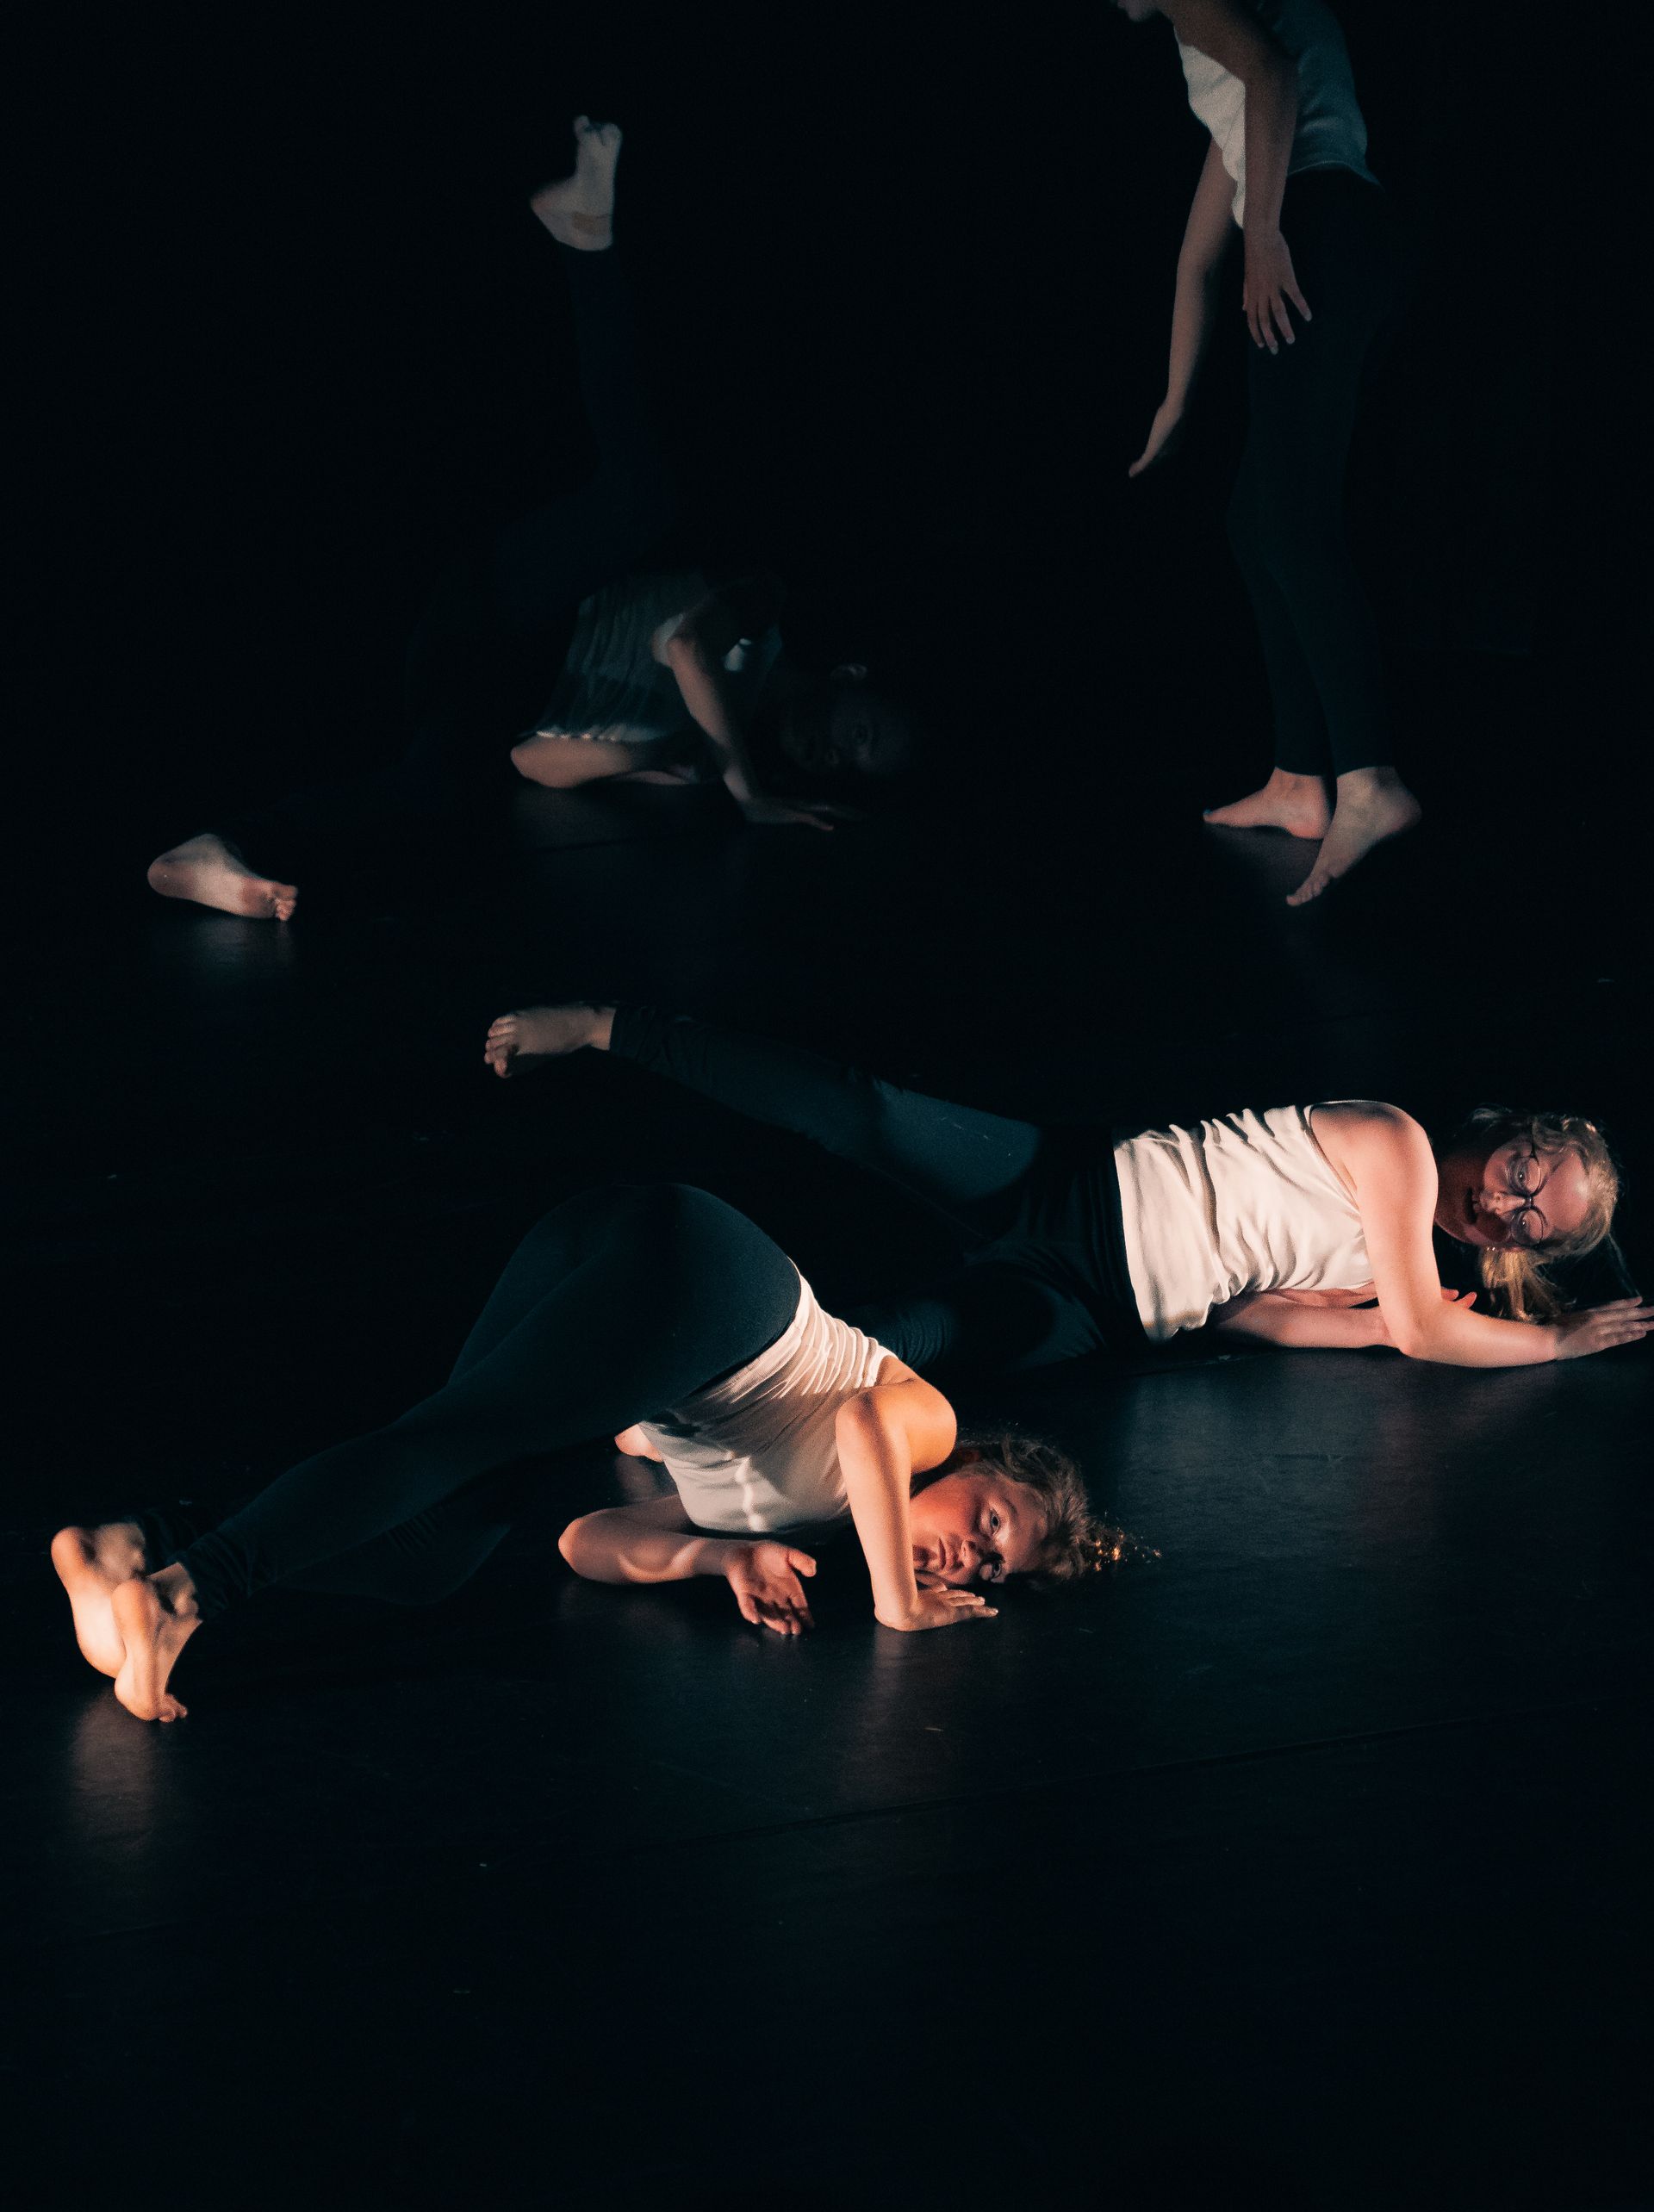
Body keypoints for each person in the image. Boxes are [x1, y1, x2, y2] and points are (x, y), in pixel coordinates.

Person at [145, 120, 913, 923]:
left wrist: (662, 753)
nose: (837, 755)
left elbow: (534, 761)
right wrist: (745, 790)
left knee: (436, 795)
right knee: (643, 501)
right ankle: (588, 243)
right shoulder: (762, 612)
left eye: (850, 770)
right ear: (850, 677)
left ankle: (206, 849)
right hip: (516, 603)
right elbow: (689, 647)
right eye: (863, 735)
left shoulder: (709, 753)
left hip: (480, 678)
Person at [51, 1183, 1111, 1724]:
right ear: (978, 1468)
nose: (968, 1556)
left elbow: (586, 1538)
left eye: (989, 1568)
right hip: (708, 1276)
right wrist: (896, 1604)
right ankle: (187, 1594)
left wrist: (720, 1558)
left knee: (438, 1552)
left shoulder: (818, 1525)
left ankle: (138, 1546)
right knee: (446, 1444)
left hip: (635, 1267)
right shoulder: (923, 1424)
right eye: (989, 1523)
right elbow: (863, 1425)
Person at [482, 1001, 1650, 1379]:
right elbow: (1428, 1335)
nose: (1508, 1206)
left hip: (1096, 1309)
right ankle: (606, 1026)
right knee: (866, 1111)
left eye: (1532, 1221)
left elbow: (1258, 1311)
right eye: (1524, 1173)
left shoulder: (1402, 1274)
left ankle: (652, 1394)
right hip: (1076, 1187)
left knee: (882, 1349)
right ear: (1503, 1134)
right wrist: (1553, 1343)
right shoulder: (1395, 1143)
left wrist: (1385, 1325)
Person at [1116, 1, 1420, 904]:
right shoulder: (1230, 79)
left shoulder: (1200, 6)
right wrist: (1174, 403)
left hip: (1319, 226)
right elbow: (1195, 261)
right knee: (1256, 520)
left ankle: (1369, 778)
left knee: (1290, 520)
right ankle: (1298, 779)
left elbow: (1274, 77)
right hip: (1341, 233)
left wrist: (1268, 238)